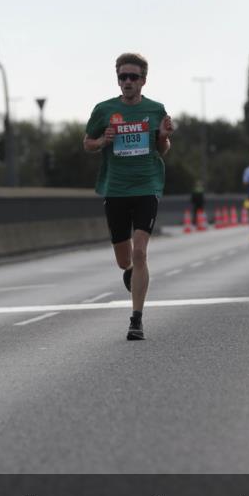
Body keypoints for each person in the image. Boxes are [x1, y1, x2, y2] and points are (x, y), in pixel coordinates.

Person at [83, 53, 174, 341]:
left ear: (143, 80)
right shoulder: (104, 110)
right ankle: (131, 272)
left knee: (140, 250)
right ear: (118, 80)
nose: (128, 82)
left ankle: (136, 319)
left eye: (133, 77)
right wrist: (103, 141)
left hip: (147, 186)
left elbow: (163, 148)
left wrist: (163, 135)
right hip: (116, 189)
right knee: (124, 260)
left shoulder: (156, 109)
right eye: (123, 77)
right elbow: (88, 144)